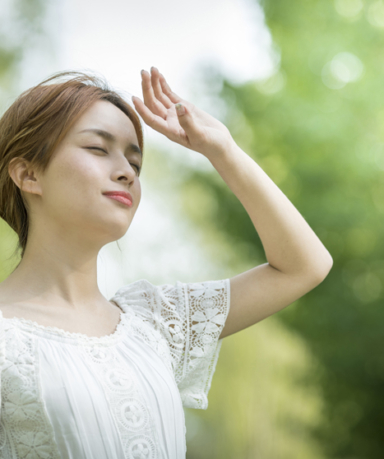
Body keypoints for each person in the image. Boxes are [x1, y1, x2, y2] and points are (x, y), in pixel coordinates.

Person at [0, 67, 333, 458]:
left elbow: (304, 265)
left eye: (135, 163)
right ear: (28, 174)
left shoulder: (155, 323)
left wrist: (221, 149)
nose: (126, 172)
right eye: (97, 148)